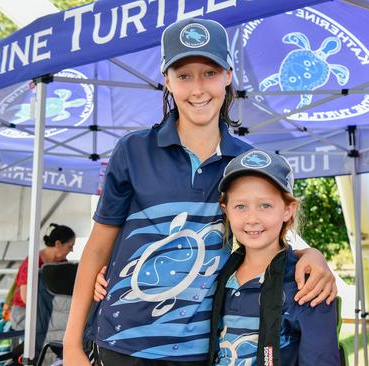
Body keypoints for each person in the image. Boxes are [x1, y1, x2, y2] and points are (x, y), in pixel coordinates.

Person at [64, 17, 337, 366]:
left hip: (201, 350)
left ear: (228, 76)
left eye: (209, 73)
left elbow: (265, 229)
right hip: (122, 344)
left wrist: (309, 254)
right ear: (167, 81)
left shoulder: (248, 160)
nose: (197, 89)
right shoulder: (132, 151)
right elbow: (98, 247)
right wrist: (71, 346)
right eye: (184, 75)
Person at [207, 148, 340, 365]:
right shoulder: (218, 274)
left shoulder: (309, 285)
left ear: (288, 209)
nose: (252, 218)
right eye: (240, 206)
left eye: (265, 205)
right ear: (226, 210)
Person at [10, 223, 75, 355]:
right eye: (70, 246)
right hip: (25, 313)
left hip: (48, 310)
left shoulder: (62, 265)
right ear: (58, 244)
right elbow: (26, 298)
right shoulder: (32, 262)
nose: (71, 250)